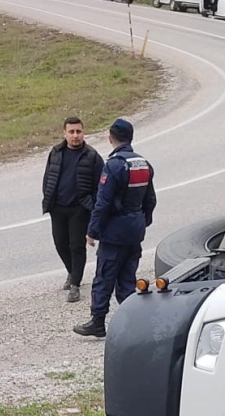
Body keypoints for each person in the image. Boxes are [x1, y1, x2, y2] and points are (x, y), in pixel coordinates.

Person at [77, 117, 155, 338]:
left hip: (115, 232)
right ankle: (133, 323)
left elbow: (102, 203)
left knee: (104, 277)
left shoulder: (113, 166)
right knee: (128, 279)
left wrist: (92, 231)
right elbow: (150, 200)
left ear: (110, 138)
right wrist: (142, 221)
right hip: (135, 230)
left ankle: (98, 322)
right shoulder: (144, 164)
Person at [41, 116, 103, 305]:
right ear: (64, 133)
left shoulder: (92, 156)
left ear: (83, 133)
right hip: (58, 208)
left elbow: (101, 186)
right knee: (60, 243)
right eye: (71, 132)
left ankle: (75, 284)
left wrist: (91, 206)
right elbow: (48, 178)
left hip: (79, 209)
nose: (75, 135)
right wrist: (49, 200)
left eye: (78, 131)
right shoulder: (55, 152)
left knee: (77, 247)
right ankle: (72, 271)